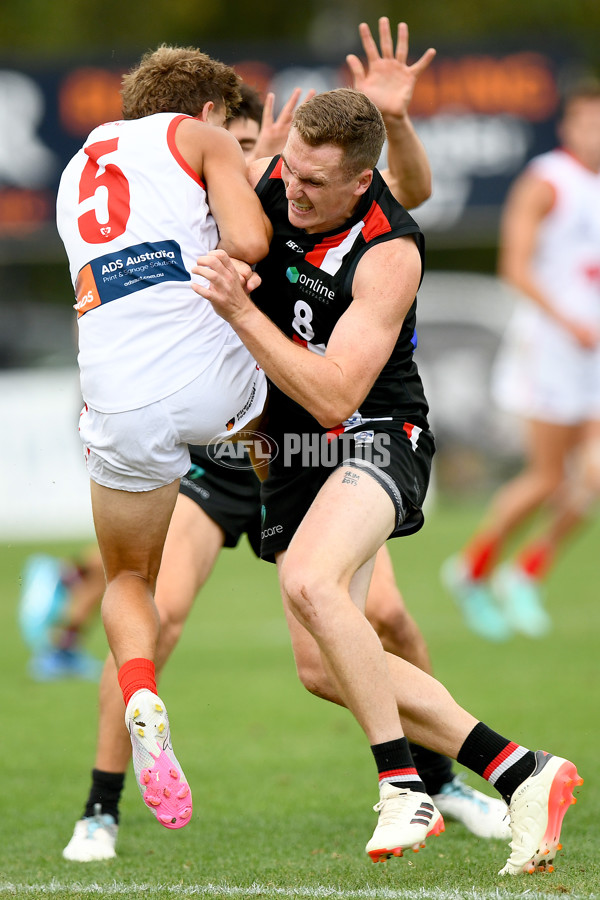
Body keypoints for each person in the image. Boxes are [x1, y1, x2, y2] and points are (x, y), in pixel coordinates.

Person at [61, 23, 510, 863]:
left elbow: (401, 197)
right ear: (203, 126)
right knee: (166, 610)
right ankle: (101, 808)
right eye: (241, 143)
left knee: (383, 620)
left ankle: (445, 782)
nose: (260, 159)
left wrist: (392, 122)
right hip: (232, 441)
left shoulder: (283, 189)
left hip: (306, 446)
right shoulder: (228, 179)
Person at [191, 34, 582, 876]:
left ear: (360, 183)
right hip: (294, 456)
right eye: (288, 169)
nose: (290, 190)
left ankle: (403, 783)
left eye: (314, 182)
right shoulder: (276, 178)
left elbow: (336, 394)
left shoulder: (389, 250)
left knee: (309, 583)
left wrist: (240, 314)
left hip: (378, 437)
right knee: (322, 664)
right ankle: (521, 771)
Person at [55, 44, 271, 831]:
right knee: (300, 399)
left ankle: (141, 687)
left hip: (114, 395)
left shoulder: (79, 162)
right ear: (207, 109)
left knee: (127, 580)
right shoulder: (202, 134)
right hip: (211, 381)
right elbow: (249, 245)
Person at [441, 81, 600, 642]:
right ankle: (472, 569)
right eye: (588, 122)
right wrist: (568, 321)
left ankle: (526, 572)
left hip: (592, 353)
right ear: (568, 127)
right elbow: (516, 266)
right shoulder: (547, 181)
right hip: (551, 348)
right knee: (547, 477)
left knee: (595, 475)